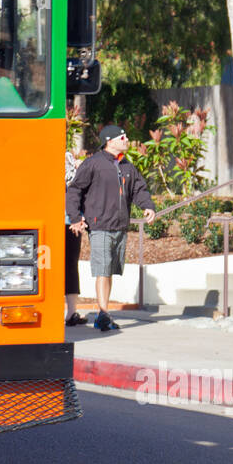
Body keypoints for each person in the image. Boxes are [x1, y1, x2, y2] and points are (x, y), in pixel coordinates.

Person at [66, 123, 156, 331]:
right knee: (102, 270)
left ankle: (103, 313)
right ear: (109, 141)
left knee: (109, 271)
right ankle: (103, 314)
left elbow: (139, 189)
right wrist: (76, 218)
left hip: (120, 226)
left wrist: (148, 207)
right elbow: (74, 191)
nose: (126, 141)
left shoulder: (127, 166)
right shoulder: (93, 164)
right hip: (99, 225)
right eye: (122, 138)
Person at [64, 148, 84, 326]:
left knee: (71, 265)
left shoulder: (69, 159)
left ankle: (71, 312)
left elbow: (77, 190)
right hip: (47, 221)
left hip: (70, 221)